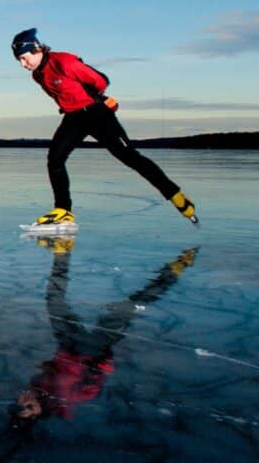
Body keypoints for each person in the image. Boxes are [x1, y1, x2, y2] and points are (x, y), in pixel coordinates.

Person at [11, 28, 197, 227]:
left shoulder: (65, 62)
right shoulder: (38, 75)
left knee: (130, 157)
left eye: (24, 58)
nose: (23, 64)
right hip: (74, 118)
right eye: (19, 60)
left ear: (37, 49)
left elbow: (101, 80)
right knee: (55, 159)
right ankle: (63, 210)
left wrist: (99, 100)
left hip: (97, 114)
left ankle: (177, 196)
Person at [10, 238, 198, 424]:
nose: (28, 404)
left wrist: (39, 386)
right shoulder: (67, 399)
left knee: (54, 301)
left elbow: (52, 368)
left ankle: (62, 251)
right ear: (39, 413)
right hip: (92, 350)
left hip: (67, 346)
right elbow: (95, 385)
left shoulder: (35, 387)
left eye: (23, 406)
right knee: (131, 305)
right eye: (30, 409)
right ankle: (177, 268)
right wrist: (98, 364)